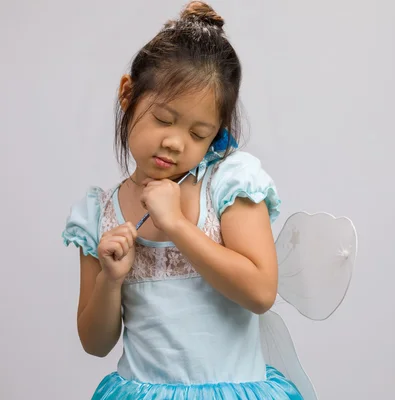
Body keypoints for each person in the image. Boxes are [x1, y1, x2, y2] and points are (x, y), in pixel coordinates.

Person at [62, 2, 304, 398]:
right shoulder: (98, 214)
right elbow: (95, 343)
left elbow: (260, 293)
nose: (175, 142)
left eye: (198, 134)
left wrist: (177, 225)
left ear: (217, 135)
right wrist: (111, 280)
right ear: (128, 94)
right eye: (163, 119)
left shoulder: (227, 183)